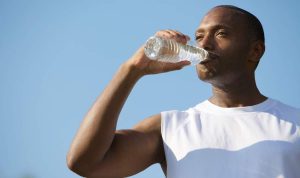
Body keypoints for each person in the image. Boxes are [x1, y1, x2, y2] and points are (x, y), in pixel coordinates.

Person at [67, 5, 300, 178]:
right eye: (199, 36)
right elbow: (84, 163)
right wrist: (131, 70)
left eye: (221, 34)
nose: (204, 44)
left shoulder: (295, 124)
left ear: (255, 51)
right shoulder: (169, 127)